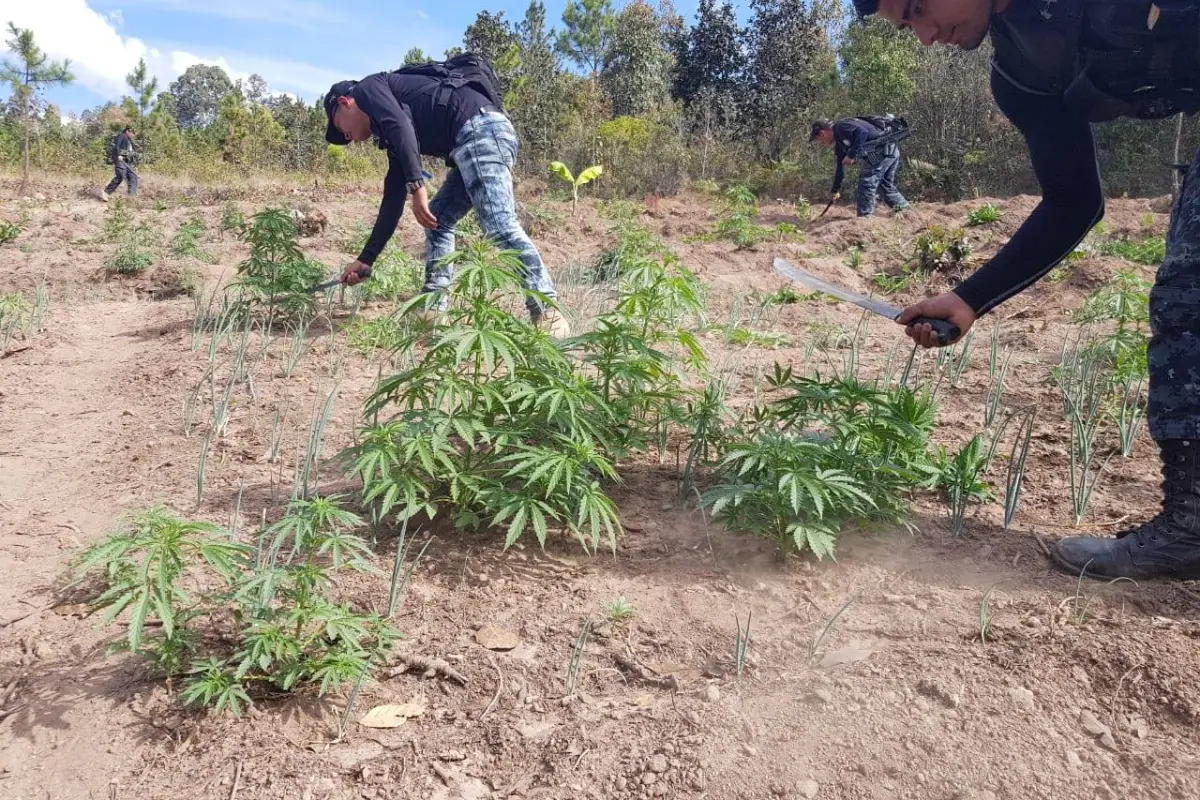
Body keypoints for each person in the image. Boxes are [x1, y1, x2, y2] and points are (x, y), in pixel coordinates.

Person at [853, 0, 1200, 579]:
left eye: (919, 8)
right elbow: (1074, 202)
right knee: (1187, 297)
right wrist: (969, 299)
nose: (925, 36)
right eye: (907, 25)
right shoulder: (1021, 74)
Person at [323, 59, 569, 337]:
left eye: (340, 127)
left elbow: (399, 123)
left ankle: (547, 311)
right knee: (438, 219)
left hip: (481, 130)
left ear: (345, 102)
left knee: (499, 224)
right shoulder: (391, 132)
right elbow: (392, 196)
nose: (347, 137)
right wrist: (366, 258)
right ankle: (432, 310)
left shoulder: (369, 88)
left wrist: (418, 186)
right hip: (473, 138)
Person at [809, 117, 910, 217]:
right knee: (884, 185)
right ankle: (904, 209)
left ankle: (864, 218)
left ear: (822, 133)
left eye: (819, 139)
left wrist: (851, 155)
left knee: (867, 182)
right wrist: (835, 190)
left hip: (884, 150)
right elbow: (840, 167)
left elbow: (862, 132)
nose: (821, 143)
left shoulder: (841, 127)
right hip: (890, 151)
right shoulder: (840, 143)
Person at [101, 126, 138, 201]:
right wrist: (118, 155)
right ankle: (106, 193)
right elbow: (116, 146)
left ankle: (131, 196)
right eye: (132, 133)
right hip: (121, 160)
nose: (133, 135)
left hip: (128, 162)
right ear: (128, 131)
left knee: (133, 177)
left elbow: (131, 152)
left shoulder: (129, 141)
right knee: (120, 175)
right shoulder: (121, 136)